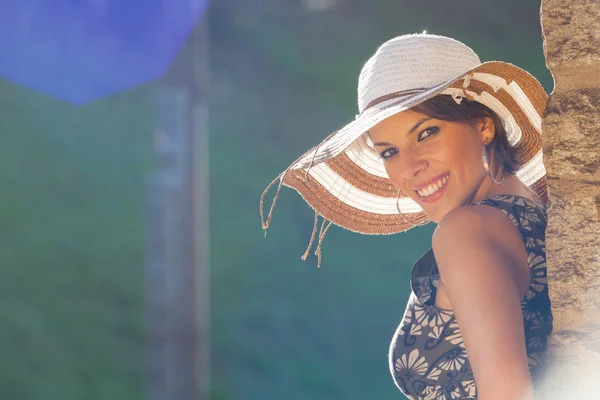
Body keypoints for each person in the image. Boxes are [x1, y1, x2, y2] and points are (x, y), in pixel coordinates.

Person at [260, 33, 553, 400]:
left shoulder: (465, 232)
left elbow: (508, 393)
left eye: (427, 133)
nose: (410, 168)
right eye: (389, 152)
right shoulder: (540, 220)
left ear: (484, 125)